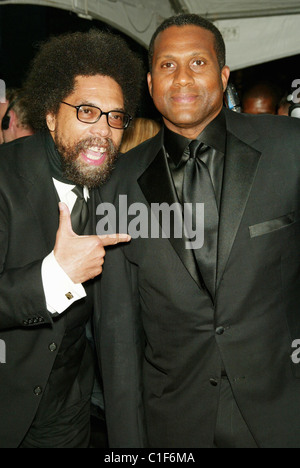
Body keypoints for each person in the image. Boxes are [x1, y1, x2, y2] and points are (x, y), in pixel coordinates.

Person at [96, 14, 300, 448]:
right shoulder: (117, 183)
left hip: (282, 414)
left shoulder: (290, 148)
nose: (182, 78)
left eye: (198, 63)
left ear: (224, 76)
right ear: (150, 84)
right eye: (168, 65)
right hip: (172, 423)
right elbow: (117, 330)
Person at [0, 29, 143, 448]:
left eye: (115, 117)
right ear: (49, 116)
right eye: (86, 111)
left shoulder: (115, 186)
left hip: (68, 410)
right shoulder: (5, 177)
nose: (103, 131)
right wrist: (55, 276)